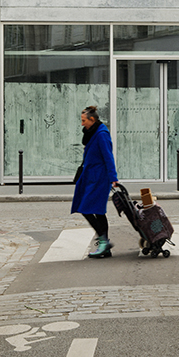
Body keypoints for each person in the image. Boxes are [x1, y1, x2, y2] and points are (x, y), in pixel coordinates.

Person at [70, 105, 119, 258]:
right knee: (95, 210)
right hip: (90, 176)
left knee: (89, 209)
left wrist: (113, 178)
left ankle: (104, 242)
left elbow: (108, 157)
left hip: (99, 178)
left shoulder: (101, 134)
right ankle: (105, 244)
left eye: (84, 120)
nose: (82, 124)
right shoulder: (92, 133)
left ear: (92, 119)